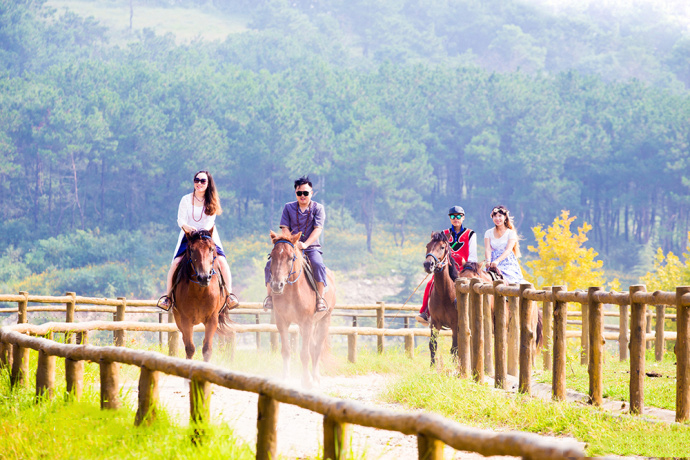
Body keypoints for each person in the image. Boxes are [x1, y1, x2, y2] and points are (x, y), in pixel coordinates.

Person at [159, 170, 238, 309]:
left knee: (222, 262)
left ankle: (229, 295)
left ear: (208, 184)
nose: (199, 183)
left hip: (208, 235)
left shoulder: (211, 200)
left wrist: (201, 233)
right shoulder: (185, 199)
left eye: (203, 181)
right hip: (188, 235)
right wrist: (188, 228)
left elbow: (210, 222)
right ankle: (168, 298)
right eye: (197, 180)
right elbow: (180, 220)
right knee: (176, 263)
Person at [263, 176, 328, 313]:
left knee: (318, 265)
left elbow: (318, 229)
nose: (302, 196)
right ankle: (269, 297)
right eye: (299, 193)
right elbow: (284, 228)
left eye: (305, 193)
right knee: (270, 264)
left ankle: (320, 299)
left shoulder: (318, 208)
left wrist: (305, 245)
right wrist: (292, 242)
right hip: (290, 246)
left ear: (311, 192)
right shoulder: (288, 207)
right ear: (296, 193)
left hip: (311, 247)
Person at [416, 206, 477, 325]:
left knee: (471, 286)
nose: (456, 218)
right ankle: (425, 311)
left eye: (458, 216)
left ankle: (473, 314)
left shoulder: (470, 234)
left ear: (463, 217)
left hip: (464, 269)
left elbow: (473, 256)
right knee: (430, 283)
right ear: (450, 218)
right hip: (446, 268)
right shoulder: (443, 234)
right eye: (453, 216)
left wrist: (467, 265)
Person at [484, 205, 524, 284]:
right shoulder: (488, 233)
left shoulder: (511, 233)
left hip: (506, 261)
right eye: (495, 216)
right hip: (492, 262)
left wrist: (497, 261)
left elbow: (508, 250)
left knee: (512, 281)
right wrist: (488, 261)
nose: (497, 219)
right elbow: (487, 249)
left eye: (500, 216)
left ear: (505, 217)